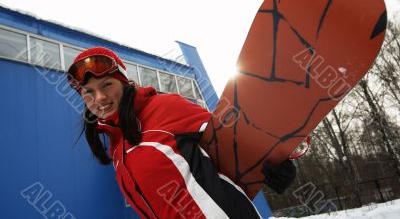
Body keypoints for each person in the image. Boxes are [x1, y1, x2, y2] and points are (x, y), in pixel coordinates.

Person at [67, 46, 296, 219]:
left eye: (107, 85)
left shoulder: (163, 107)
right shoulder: (118, 149)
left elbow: (233, 135)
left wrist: (273, 161)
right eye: (88, 92)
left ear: (124, 83)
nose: (99, 98)